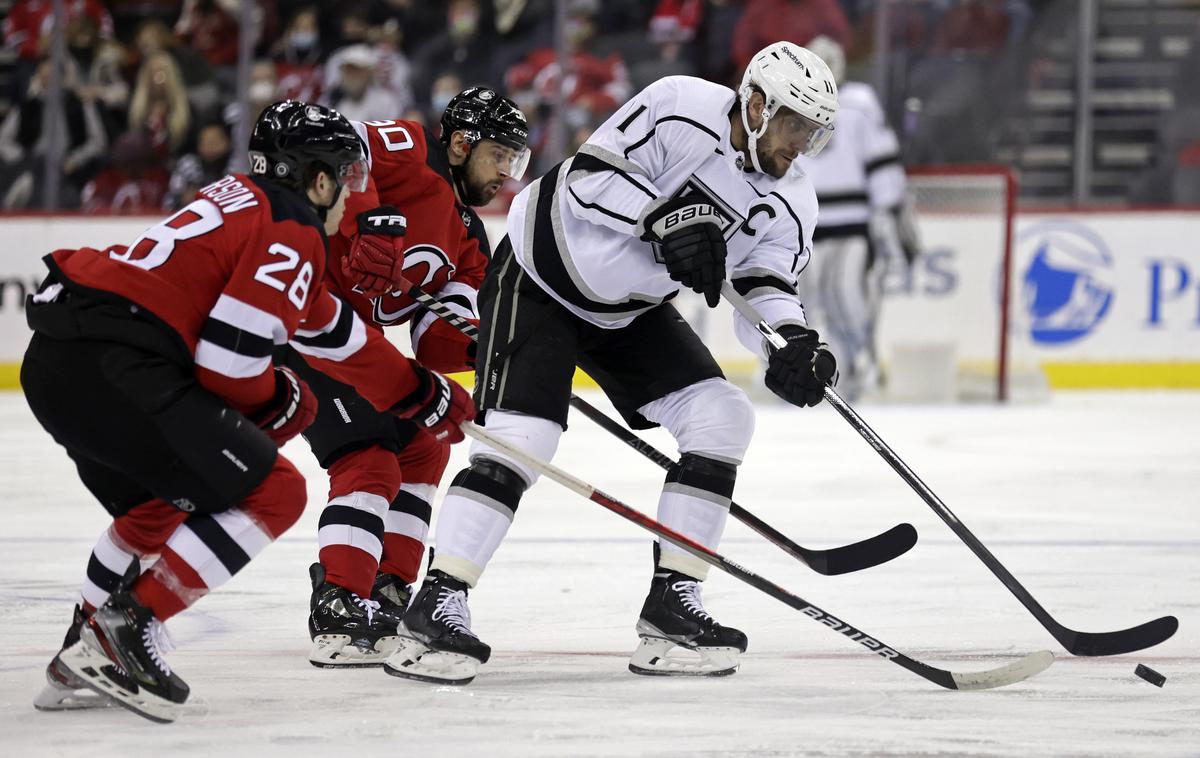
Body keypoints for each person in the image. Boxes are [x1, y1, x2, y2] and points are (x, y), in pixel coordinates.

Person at [386, 41, 840, 685]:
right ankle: (437, 604)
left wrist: (790, 341)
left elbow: (763, 280)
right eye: (796, 125)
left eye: (813, 132)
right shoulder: (681, 106)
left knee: (722, 418)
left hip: (629, 307)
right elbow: (587, 180)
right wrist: (668, 219)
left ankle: (671, 609)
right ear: (759, 104)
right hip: (542, 275)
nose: (801, 144)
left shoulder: (793, 198)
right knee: (523, 440)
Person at [25, 100, 474, 722]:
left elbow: (332, 331)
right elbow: (230, 364)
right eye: (345, 178)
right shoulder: (292, 225)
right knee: (275, 493)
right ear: (316, 178)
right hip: (122, 359)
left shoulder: (239, 196)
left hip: (57, 358)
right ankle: (123, 630)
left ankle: (80, 644)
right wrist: (277, 403)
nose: (353, 197)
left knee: (151, 508)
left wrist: (420, 393)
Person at [286, 86, 529, 668]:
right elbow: (337, 141)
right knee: (368, 458)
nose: (507, 174)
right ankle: (339, 599)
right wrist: (372, 217)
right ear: (462, 144)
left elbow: (432, 337)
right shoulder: (411, 148)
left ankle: (387, 589)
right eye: (499, 156)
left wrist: (479, 345)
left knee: (423, 444)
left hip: (354, 346)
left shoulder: (471, 241)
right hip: (300, 316)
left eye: (515, 162)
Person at [795, 36, 918, 401]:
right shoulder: (793, 104)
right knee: (802, 303)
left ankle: (855, 366)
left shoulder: (860, 103)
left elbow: (882, 164)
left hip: (851, 224)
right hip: (806, 227)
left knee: (847, 298)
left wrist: (887, 211)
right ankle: (797, 369)